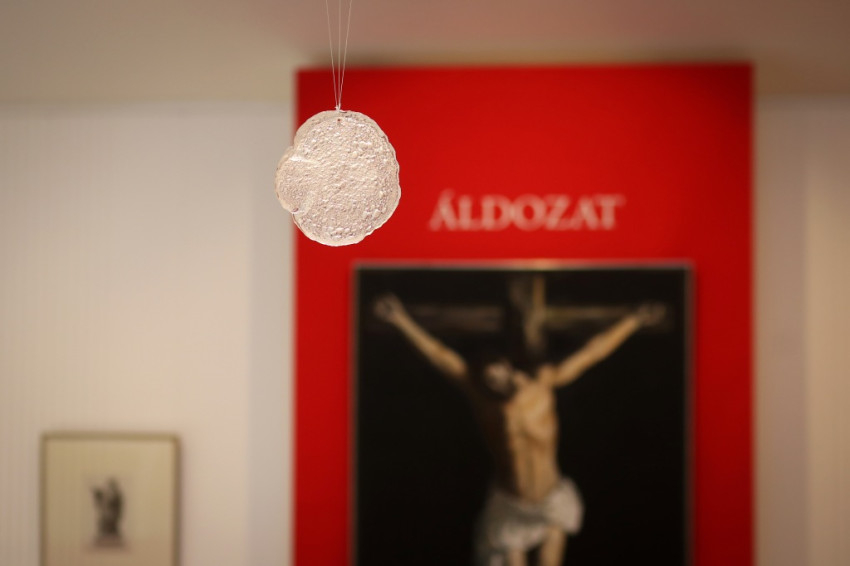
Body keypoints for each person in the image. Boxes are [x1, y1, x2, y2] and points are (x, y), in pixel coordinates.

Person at [373, 294, 665, 566]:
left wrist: (635, 320)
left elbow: (591, 353)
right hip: (511, 504)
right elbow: (439, 355)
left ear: (509, 367)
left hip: (550, 501)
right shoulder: (484, 400)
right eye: (491, 383)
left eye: (501, 377)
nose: (498, 385)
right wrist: (400, 319)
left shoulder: (543, 385)